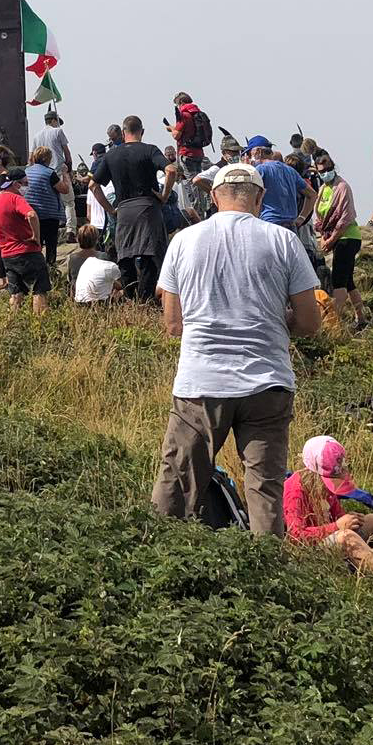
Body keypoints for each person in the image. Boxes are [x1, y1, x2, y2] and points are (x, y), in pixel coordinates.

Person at [149, 162, 320, 535]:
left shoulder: (184, 240)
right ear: (259, 198)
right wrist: (275, 321)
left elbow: (173, 325)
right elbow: (310, 322)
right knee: (265, 489)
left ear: (213, 197)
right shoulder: (284, 241)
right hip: (267, 382)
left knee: (177, 484)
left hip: (201, 383)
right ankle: (266, 577)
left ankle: (157, 565)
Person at [283, 435, 373, 584]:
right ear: (314, 474)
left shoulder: (323, 486)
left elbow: (336, 514)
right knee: (346, 537)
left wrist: (350, 519)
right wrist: (337, 526)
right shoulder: (296, 492)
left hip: (329, 537)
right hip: (310, 551)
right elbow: (296, 536)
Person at [94, 116, 175, 302]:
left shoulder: (111, 155)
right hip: (148, 208)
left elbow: (93, 185)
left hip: (123, 210)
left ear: (123, 133)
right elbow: (171, 170)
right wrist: (164, 196)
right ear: (142, 132)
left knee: (126, 256)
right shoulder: (150, 150)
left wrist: (110, 209)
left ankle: (130, 299)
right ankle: (146, 301)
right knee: (150, 256)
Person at [313, 153, 366, 327]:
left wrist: (331, 239)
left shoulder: (342, 187)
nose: (325, 172)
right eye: (321, 170)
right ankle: (361, 317)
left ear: (333, 167)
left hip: (347, 237)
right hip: (333, 238)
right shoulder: (323, 189)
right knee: (348, 281)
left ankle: (335, 322)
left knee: (339, 281)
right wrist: (323, 237)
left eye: (328, 169)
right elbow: (319, 216)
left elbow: (345, 217)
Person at [0, 175, 52, 315]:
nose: (24, 187)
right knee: (39, 290)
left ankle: (14, 324)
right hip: (27, 251)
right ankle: (41, 325)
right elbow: (31, 215)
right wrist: (36, 237)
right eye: (24, 183)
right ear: (15, 184)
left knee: (16, 293)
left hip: (7, 255)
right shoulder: (16, 199)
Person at [21, 145, 69, 272]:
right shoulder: (49, 173)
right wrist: (65, 173)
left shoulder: (27, 171)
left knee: (35, 244)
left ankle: (35, 271)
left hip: (31, 214)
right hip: (49, 214)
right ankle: (51, 271)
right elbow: (64, 189)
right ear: (47, 158)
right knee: (51, 245)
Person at [71, 226, 123, 303]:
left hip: (77, 294)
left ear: (78, 239)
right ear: (96, 240)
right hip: (99, 296)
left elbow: (71, 280)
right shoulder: (103, 256)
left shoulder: (72, 258)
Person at [32, 109, 72, 174]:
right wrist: (69, 168)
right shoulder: (58, 131)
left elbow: (32, 157)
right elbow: (67, 152)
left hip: (43, 173)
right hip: (57, 171)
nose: (58, 125)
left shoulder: (36, 136)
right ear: (53, 120)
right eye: (57, 122)